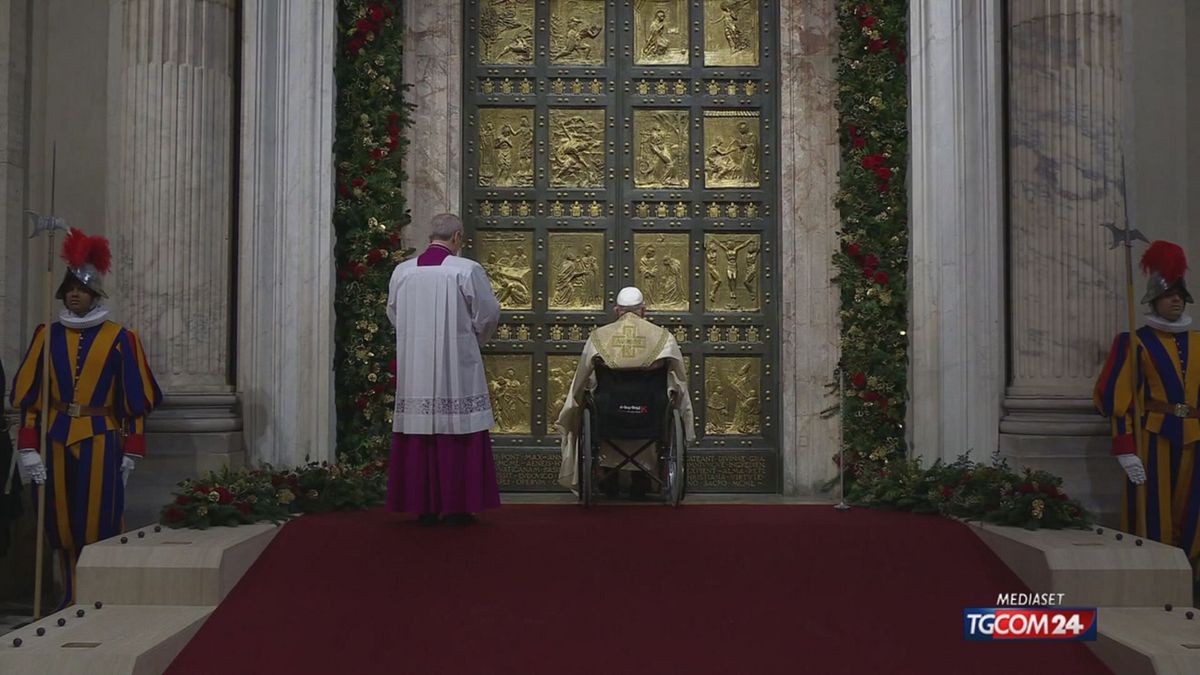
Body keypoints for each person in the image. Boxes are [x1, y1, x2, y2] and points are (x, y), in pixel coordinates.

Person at [11, 228, 162, 609]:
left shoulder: (120, 338)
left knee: (100, 522)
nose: (73, 294)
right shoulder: (46, 336)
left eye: (80, 289)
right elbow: (32, 400)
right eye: (69, 289)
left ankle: (103, 596)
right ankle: (71, 594)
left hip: (101, 436)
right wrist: (28, 448)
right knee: (60, 525)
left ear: (95, 294)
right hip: (57, 435)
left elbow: (134, 401)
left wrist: (133, 450)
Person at [386, 213, 502, 526]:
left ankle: (423, 505)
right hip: (457, 364)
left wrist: (414, 338)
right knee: (457, 428)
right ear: (457, 238)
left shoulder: (403, 271)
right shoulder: (466, 270)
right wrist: (473, 337)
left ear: (429, 237)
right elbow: (489, 312)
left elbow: (393, 312)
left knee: (420, 429)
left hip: (416, 365)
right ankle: (458, 506)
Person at [1094, 240, 1200, 577]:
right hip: (1154, 439)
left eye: (1180, 295)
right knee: (1154, 512)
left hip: (1196, 439)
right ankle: (1156, 576)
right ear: (1154, 300)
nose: (1176, 300)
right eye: (1169, 295)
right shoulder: (1135, 342)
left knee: (1193, 512)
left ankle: (1190, 575)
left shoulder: (1199, 342)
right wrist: (1125, 449)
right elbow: (1117, 401)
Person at [556, 286, 694, 497]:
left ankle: (607, 476)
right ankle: (643, 479)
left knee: (592, 399)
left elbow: (581, 379)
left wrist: (572, 409)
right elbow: (680, 380)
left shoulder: (599, 338)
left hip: (608, 416)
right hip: (651, 417)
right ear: (644, 311)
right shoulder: (663, 338)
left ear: (616, 310)